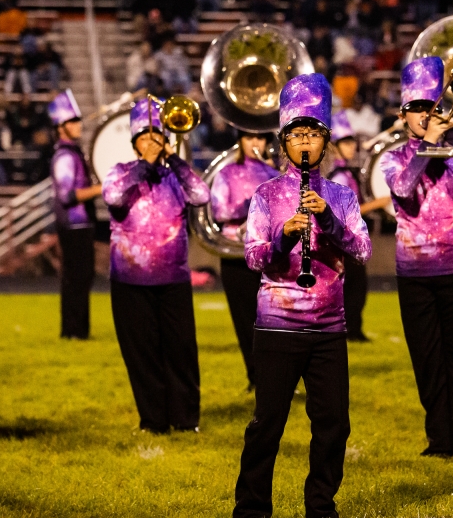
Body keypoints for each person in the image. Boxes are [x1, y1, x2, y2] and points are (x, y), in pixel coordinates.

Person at [234, 73, 371, 518]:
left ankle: (321, 508)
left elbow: (363, 250)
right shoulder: (266, 195)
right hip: (277, 324)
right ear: (284, 142)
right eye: (296, 135)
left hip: (329, 327)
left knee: (333, 424)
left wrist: (328, 220)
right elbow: (253, 257)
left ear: (325, 141)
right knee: (267, 422)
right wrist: (283, 235)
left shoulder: (341, 195)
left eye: (313, 133)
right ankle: (252, 511)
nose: (305, 142)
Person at [379, 57, 453, 459]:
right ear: (403, 115)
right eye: (416, 109)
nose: (425, 115)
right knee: (427, 361)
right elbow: (403, 190)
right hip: (414, 273)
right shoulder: (393, 157)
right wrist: (429, 145)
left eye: (431, 107)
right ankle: (440, 440)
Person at [102, 96, 210, 433]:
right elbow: (113, 197)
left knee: (181, 351)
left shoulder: (175, 176)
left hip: (173, 278)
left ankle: (185, 419)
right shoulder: (120, 172)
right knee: (142, 354)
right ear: (134, 142)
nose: (152, 142)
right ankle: (153, 421)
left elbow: (201, 195)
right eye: (145, 136)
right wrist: (144, 165)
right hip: (130, 281)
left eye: (157, 136)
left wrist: (174, 158)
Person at [209, 130, 279, 388]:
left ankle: (278, 377)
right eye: (249, 137)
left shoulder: (275, 174)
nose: (255, 143)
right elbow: (219, 211)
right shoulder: (227, 172)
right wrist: (253, 202)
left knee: (274, 318)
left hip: (269, 251)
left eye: (260, 138)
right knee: (244, 319)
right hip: (235, 252)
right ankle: (256, 378)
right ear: (240, 140)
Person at [327, 110, 390, 341]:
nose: (351, 146)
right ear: (334, 147)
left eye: (352, 141)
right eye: (345, 142)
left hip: (349, 240)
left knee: (355, 287)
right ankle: (351, 331)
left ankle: (352, 329)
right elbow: (343, 213)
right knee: (354, 288)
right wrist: (377, 204)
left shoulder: (345, 172)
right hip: (345, 241)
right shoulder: (340, 176)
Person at [47, 90, 98, 339]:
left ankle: (77, 331)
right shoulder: (64, 157)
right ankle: (73, 331)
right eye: (73, 121)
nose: (79, 125)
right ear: (61, 127)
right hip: (73, 225)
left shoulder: (74, 153)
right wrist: (100, 189)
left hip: (81, 224)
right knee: (76, 278)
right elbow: (67, 195)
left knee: (81, 278)